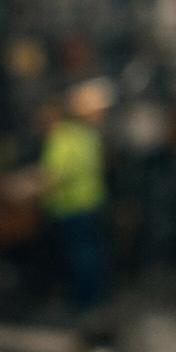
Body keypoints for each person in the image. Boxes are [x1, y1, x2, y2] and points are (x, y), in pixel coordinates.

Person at [39, 82, 110, 310]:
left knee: (79, 254)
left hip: (70, 206)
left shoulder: (61, 138)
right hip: (92, 200)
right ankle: (94, 294)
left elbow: (55, 176)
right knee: (90, 250)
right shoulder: (86, 135)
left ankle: (82, 300)